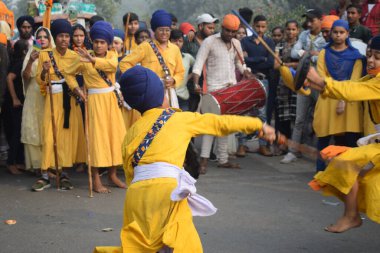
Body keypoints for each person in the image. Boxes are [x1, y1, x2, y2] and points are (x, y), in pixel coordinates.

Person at [92, 65, 276, 253]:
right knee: (183, 245)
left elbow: (131, 173)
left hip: (135, 197)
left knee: (142, 248)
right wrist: (258, 125)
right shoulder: (179, 118)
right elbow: (219, 123)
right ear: (159, 95)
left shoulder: (130, 133)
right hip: (166, 192)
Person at [306, 35, 380, 233]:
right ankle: (352, 215)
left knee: (346, 162)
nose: (371, 60)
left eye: (378, 57)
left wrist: (322, 82)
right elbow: (353, 87)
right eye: (370, 55)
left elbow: (355, 90)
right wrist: (316, 83)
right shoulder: (372, 78)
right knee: (351, 168)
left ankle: (351, 216)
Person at [64, 21, 127, 193]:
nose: (99, 45)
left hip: (111, 102)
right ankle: (96, 179)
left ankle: (112, 175)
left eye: (102, 42)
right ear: (93, 41)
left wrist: (93, 60)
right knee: (96, 140)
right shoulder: (82, 57)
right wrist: (77, 90)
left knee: (115, 138)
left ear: (108, 43)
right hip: (94, 102)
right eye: (96, 42)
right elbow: (68, 73)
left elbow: (113, 66)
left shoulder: (112, 55)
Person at [193, 14, 251, 172]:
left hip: (231, 89)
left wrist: (245, 72)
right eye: (228, 31)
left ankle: (223, 159)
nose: (231, 35)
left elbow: (240, 63)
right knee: (211, 126)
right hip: (213, 90)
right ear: (222, 28)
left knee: (224, 126)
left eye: (233, 32)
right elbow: (198, 63)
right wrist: (195, 82)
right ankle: (203, 161)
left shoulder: (236, 43)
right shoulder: (209, 41)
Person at [32, 19, 86, 191]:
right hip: (52, 101)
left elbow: (81, 78)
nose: (64, 39)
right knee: (49, 137)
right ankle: (45, 175)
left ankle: (64, 175)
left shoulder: (75, 56)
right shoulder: (45, 54)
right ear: (55, 38)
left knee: (65, 139)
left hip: (70, 101)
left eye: (66, 36)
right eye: (61, 36)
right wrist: (44, 71)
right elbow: (39, 81)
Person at [314, 20, 364, 172]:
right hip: (328, 98)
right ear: (331, 33)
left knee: (349, 139)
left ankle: (347, 173)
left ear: (347, 34)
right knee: (323, 136)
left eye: (342, 32)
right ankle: (320, 171)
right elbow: (321, 77)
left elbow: (354, 81)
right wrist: (335, 92)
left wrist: (342, 99)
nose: (338, 35)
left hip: (349, 101)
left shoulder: (356, 56)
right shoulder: (324, 52)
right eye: (335, 32)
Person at [281, 8, 327, 164]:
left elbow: (325, 56)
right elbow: (294, 52)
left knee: (321, 119)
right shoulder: (303, 34)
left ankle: (323, 154)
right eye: (307, 20)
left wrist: (313, 55)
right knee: (299, 118)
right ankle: (292, 151)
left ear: (321, 19)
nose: (309, 23)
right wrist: (310, 54)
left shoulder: (326, 34)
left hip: (320, 82)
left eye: (312, 20)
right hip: (305, 81)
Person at [119, 9, 185, 109]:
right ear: (154, 30)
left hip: (169, 92)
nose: (164, 33)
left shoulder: (175, 49)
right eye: (161, 30)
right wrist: (137, 81)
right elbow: (124, 63)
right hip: (150, 93)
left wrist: (174, 80)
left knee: (171, 120)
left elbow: (180, 72)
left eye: (167, 30)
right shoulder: (145, 46)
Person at [240, 15, 275, 157]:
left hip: (263, 80)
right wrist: (261, 58)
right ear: (253, 26)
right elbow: (243, 60)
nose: (260, 29)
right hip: (247, 79)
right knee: (244, 111)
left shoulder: (269, 42)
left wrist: (253, 60)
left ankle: (262, 145)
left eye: (263, 27)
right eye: (258, 26)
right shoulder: (244, 41)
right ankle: (241, 145)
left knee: (262, 113)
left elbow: (270, 63)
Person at [21, 27, 54, 173]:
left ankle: (51, 165)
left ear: (49, 39)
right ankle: (38, 166)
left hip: (51, 95)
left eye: (45, 37)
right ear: (36, 40)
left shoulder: (55, 54)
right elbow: (26, 77)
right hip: (34, 95)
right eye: (39, 37)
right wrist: (30, 61)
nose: (42, 39)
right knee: (33, 127)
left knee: (49, 128)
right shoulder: (31, 54)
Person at [182, 13, 218, 112]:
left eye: (213, 28)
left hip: (210, 84)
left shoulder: (214, 40)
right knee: (191, 112)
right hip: (191, 86)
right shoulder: (189, 41)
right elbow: (183, 62)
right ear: (201, 26)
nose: (212, 30)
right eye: (209, 28)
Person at [2, 40, 29, 174]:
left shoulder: (17, 61)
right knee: (16, 132)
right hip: (14, 103)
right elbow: (9, 78)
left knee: (18, 132)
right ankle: (11, 163)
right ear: (25, 51)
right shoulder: (19, 63)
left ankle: (18, 161)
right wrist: (15, 98)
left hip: (15, 102)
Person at [273, 20, 300, 154]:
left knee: (296, 116)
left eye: (293, 29)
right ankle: (283, 144)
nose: (291, 32)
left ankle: (294, 147)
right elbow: (276, 65)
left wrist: (287, 65)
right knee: (284, 116)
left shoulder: (300, 45)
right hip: (283, 84)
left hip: (297, 84)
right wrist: (289, 64)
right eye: (288, 29)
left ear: (298, 31)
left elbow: (301, 64)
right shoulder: (280, 46)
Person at [170, 29, 195, 111]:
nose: (177, 43)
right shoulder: (165, 57)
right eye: (174, 41)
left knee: (184, 120)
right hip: (168, 96)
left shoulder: (187, 57)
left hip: (183, 96)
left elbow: (197, 67)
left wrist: (188, 77)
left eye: (180, 41)